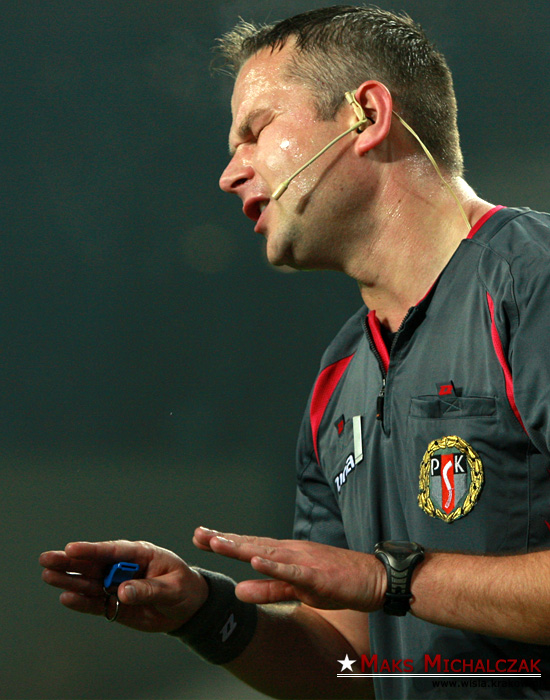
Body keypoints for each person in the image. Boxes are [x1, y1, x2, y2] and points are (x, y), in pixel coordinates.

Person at [40, 6, 550, 699]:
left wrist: (389, 579)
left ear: (367, 117)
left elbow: (380, 588)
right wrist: (206, 612)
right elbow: (351, 663)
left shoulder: (530, 285)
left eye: (255, 130)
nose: (230, 173)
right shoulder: (339, 380)